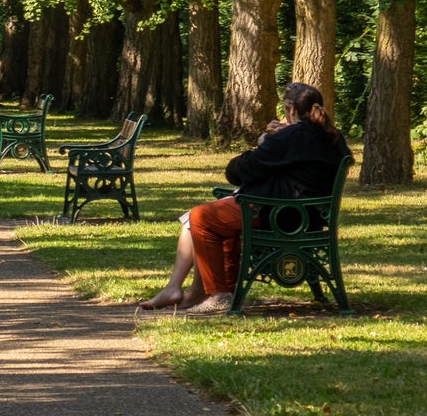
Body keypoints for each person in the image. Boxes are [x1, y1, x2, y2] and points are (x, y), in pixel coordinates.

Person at [139, 81, 348, 314]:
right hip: (308, 215)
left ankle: (218, 293)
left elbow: (237, 171)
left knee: (201, 217)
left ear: (290, 109)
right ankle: (205, 292)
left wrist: (264, 142)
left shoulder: (291, 137)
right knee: (216, 214)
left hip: (281, 214)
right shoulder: (331, 136)